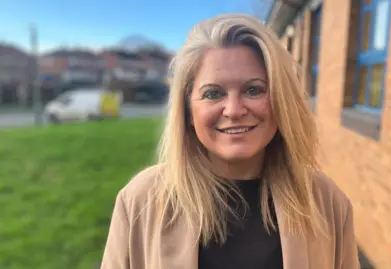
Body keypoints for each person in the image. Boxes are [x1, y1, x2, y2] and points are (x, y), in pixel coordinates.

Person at [100, 14, 360, 269]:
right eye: (213, 93)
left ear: (282, 102)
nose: (234, 110)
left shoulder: (327, 204)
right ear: (188, 111)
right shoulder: (141, 201)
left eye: (253, 90)